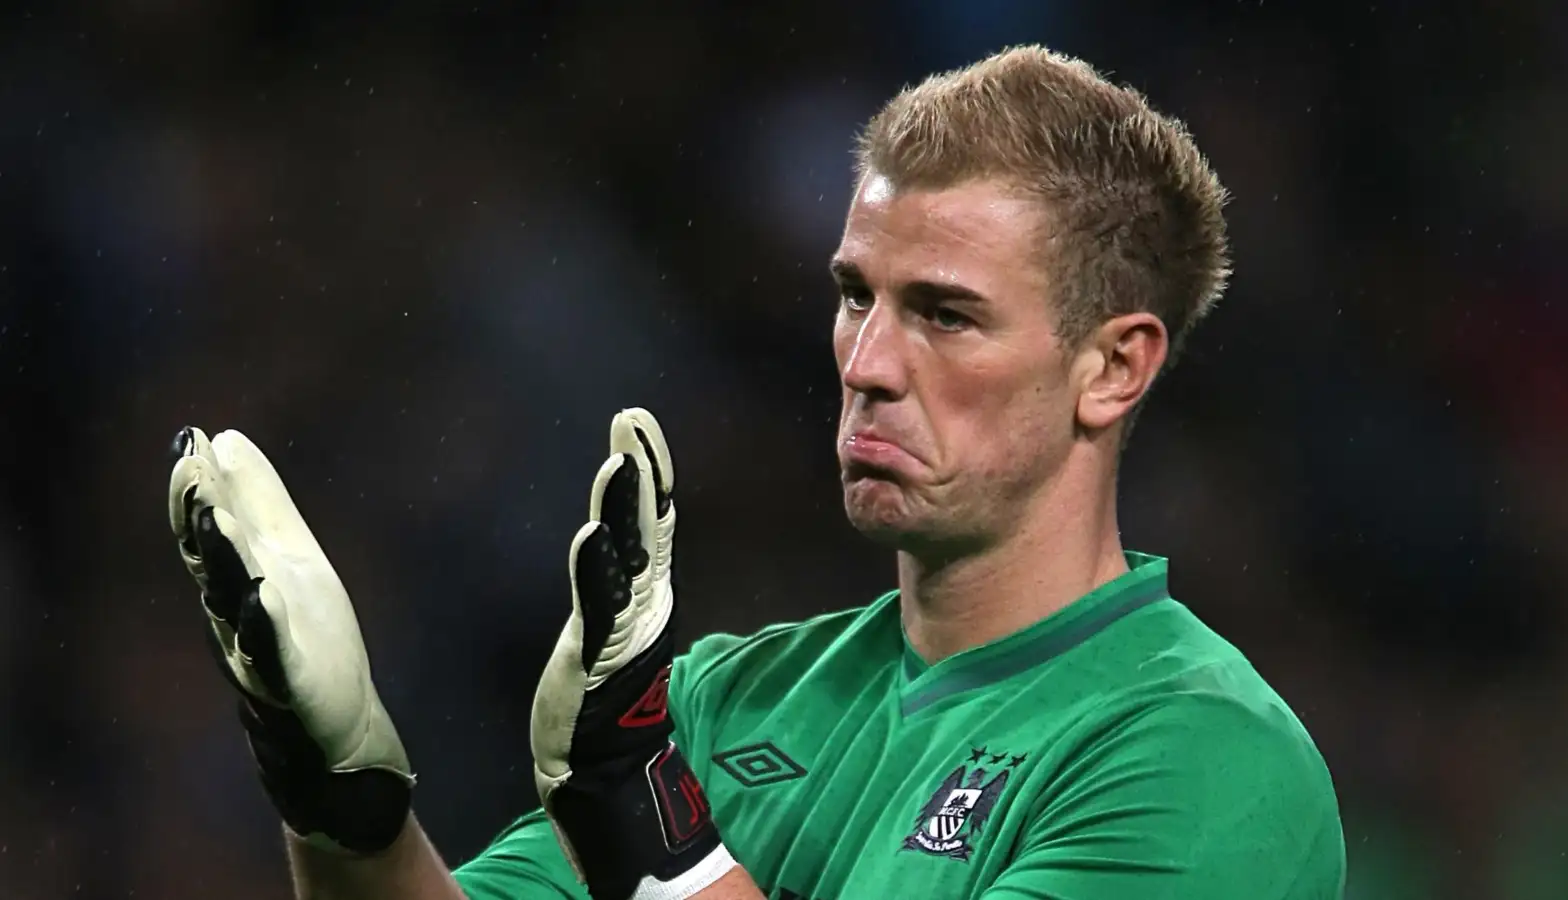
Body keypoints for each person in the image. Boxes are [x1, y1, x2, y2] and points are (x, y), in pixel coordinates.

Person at [166, 45, 1345, 900]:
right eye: (854, 297)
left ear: (1111, 368)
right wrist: (341, 802)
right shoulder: (729, 701)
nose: (869, 364)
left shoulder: (1203, 758)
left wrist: (650, 825)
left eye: (946, 315)